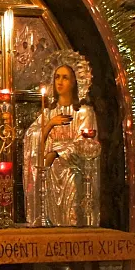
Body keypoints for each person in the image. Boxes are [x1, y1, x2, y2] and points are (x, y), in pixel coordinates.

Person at [23, 52, 101, 227]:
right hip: (50, 173)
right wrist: (50, 124)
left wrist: (56, 152)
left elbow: (83, 144)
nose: (59, 81)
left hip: (72, 173)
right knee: (50, 218)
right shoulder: (48, 113)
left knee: (72, 216)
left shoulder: (84, 113)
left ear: (74, 82)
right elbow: (32, 138)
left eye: (65, 78)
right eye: (57, 77)